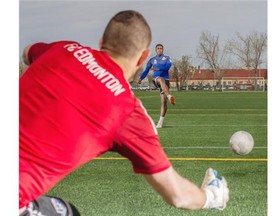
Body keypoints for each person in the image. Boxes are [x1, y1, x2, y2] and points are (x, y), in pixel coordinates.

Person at [20, 10, 229, 216]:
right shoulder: (128, 111)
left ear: (102, 42)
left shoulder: (64, 49)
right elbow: (178, 195)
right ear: (143, 57)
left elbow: (28, 52)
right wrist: (211, 195)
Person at [138, 43, 175, 128]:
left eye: (161, 48)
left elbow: (168, 67)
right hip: (156, 79)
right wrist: (141, 78)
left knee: (164, 102)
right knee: (160, 79)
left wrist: (158, 69)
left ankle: (160, 122)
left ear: (163, 50)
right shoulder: (152, 60)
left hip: (166, 81)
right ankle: (169, 95)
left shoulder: (167, 58)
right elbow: (147, 70)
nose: (159, 49)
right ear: (156, 50)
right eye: (158, 48)